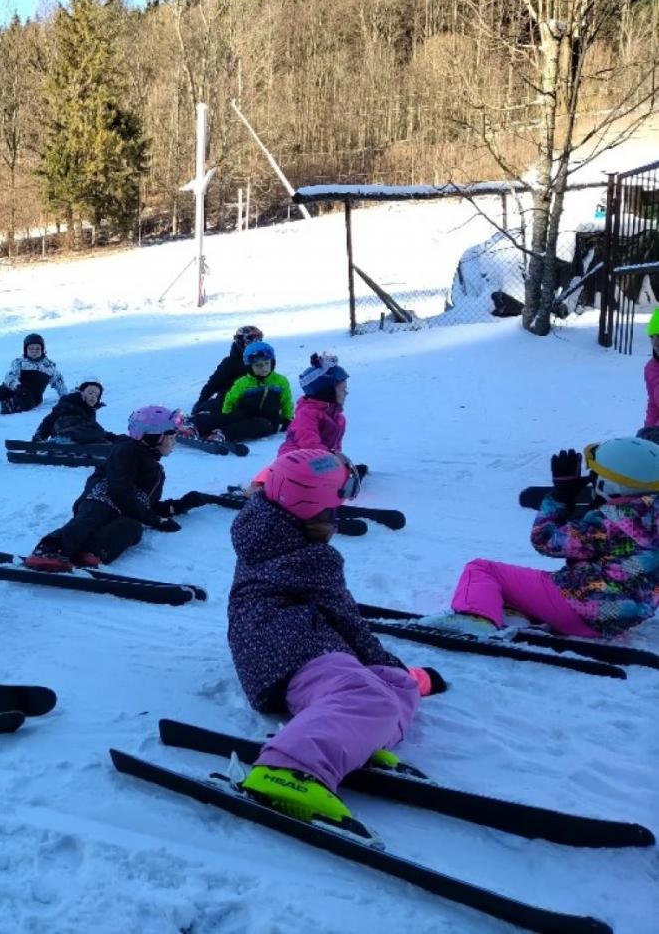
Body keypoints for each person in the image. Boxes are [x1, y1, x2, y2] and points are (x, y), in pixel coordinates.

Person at [227, 448, 445, 830]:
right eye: (337, 507)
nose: (339, 516)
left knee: (397, 688)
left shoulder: (267, 526)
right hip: (286, 648)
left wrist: (396, 673)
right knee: (369, 694)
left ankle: (352, 737)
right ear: (317, 509)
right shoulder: (313, 557)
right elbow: (348, 621)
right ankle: (288, 770)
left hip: (283, 640)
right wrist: (383, 662)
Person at [419, 438, 659, 639]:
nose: (591, 482)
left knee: (482, 570)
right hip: (619, 619)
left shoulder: (611, 520)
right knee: (520, 587)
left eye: (595, 477)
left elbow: (545, 539)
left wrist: (560, 496)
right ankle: (515, 615)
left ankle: (475, 619)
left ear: (611, 486)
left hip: (582, 608)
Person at [25, 406, 205, 571]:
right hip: (101, 498)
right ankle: (50, 549)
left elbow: (145, 505)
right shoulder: (127, 450)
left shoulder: (156, 470)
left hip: (124, 510)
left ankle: (92, 551)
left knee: (132, 527)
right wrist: (154, 519)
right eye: (171, 437)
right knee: (92, 518)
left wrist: (175, 507)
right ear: (153, 436)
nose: (174, 443)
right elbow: (120, 489)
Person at [188, 340, 294, 443]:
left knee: (261, 426)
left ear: (272, 362)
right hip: (244, 412)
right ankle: (195, 426)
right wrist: (227, 414)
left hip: (268, 419)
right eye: (258, 365)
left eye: (267, 363)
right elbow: (230, 398)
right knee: (228, 418)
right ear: (250, 367)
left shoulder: (280, 382)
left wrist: (287, 419)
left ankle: (224, 434)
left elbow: (286, 401)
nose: (264, 368)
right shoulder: (243, 382)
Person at [277, 352, 350, 457]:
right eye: (342, 390)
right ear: (327, 391)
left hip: (320, 462)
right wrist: (336, 459)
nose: (346, 393)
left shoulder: (338, 419)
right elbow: (309, 445)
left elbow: (335, 449)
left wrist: (342, 464)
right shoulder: (306, 415)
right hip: (294, 461)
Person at [191, 325, 264, 415]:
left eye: (258, 339)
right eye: (251, 340)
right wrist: (202, 400)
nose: (256, 343)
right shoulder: (230, 363)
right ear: (240, 341)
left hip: (254, 401)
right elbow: (214, 382)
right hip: (230, 400)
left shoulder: (263, 360)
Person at [31, 378, 113, 444]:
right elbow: (49, 421)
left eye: (96, 396)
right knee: (97, 430)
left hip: (78, 435)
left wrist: (118, 439)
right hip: (62, 430)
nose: (93, 397)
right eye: (90, 393)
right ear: (81, 393)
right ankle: (63, 440)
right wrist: (39, 436)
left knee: (99, 433)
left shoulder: (89, 411)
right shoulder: (69, 403)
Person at [645, 309, 659, 428]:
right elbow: (654, 405)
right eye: (652, 337)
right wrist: (648, 430)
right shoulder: (651, 369)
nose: (655, 344)